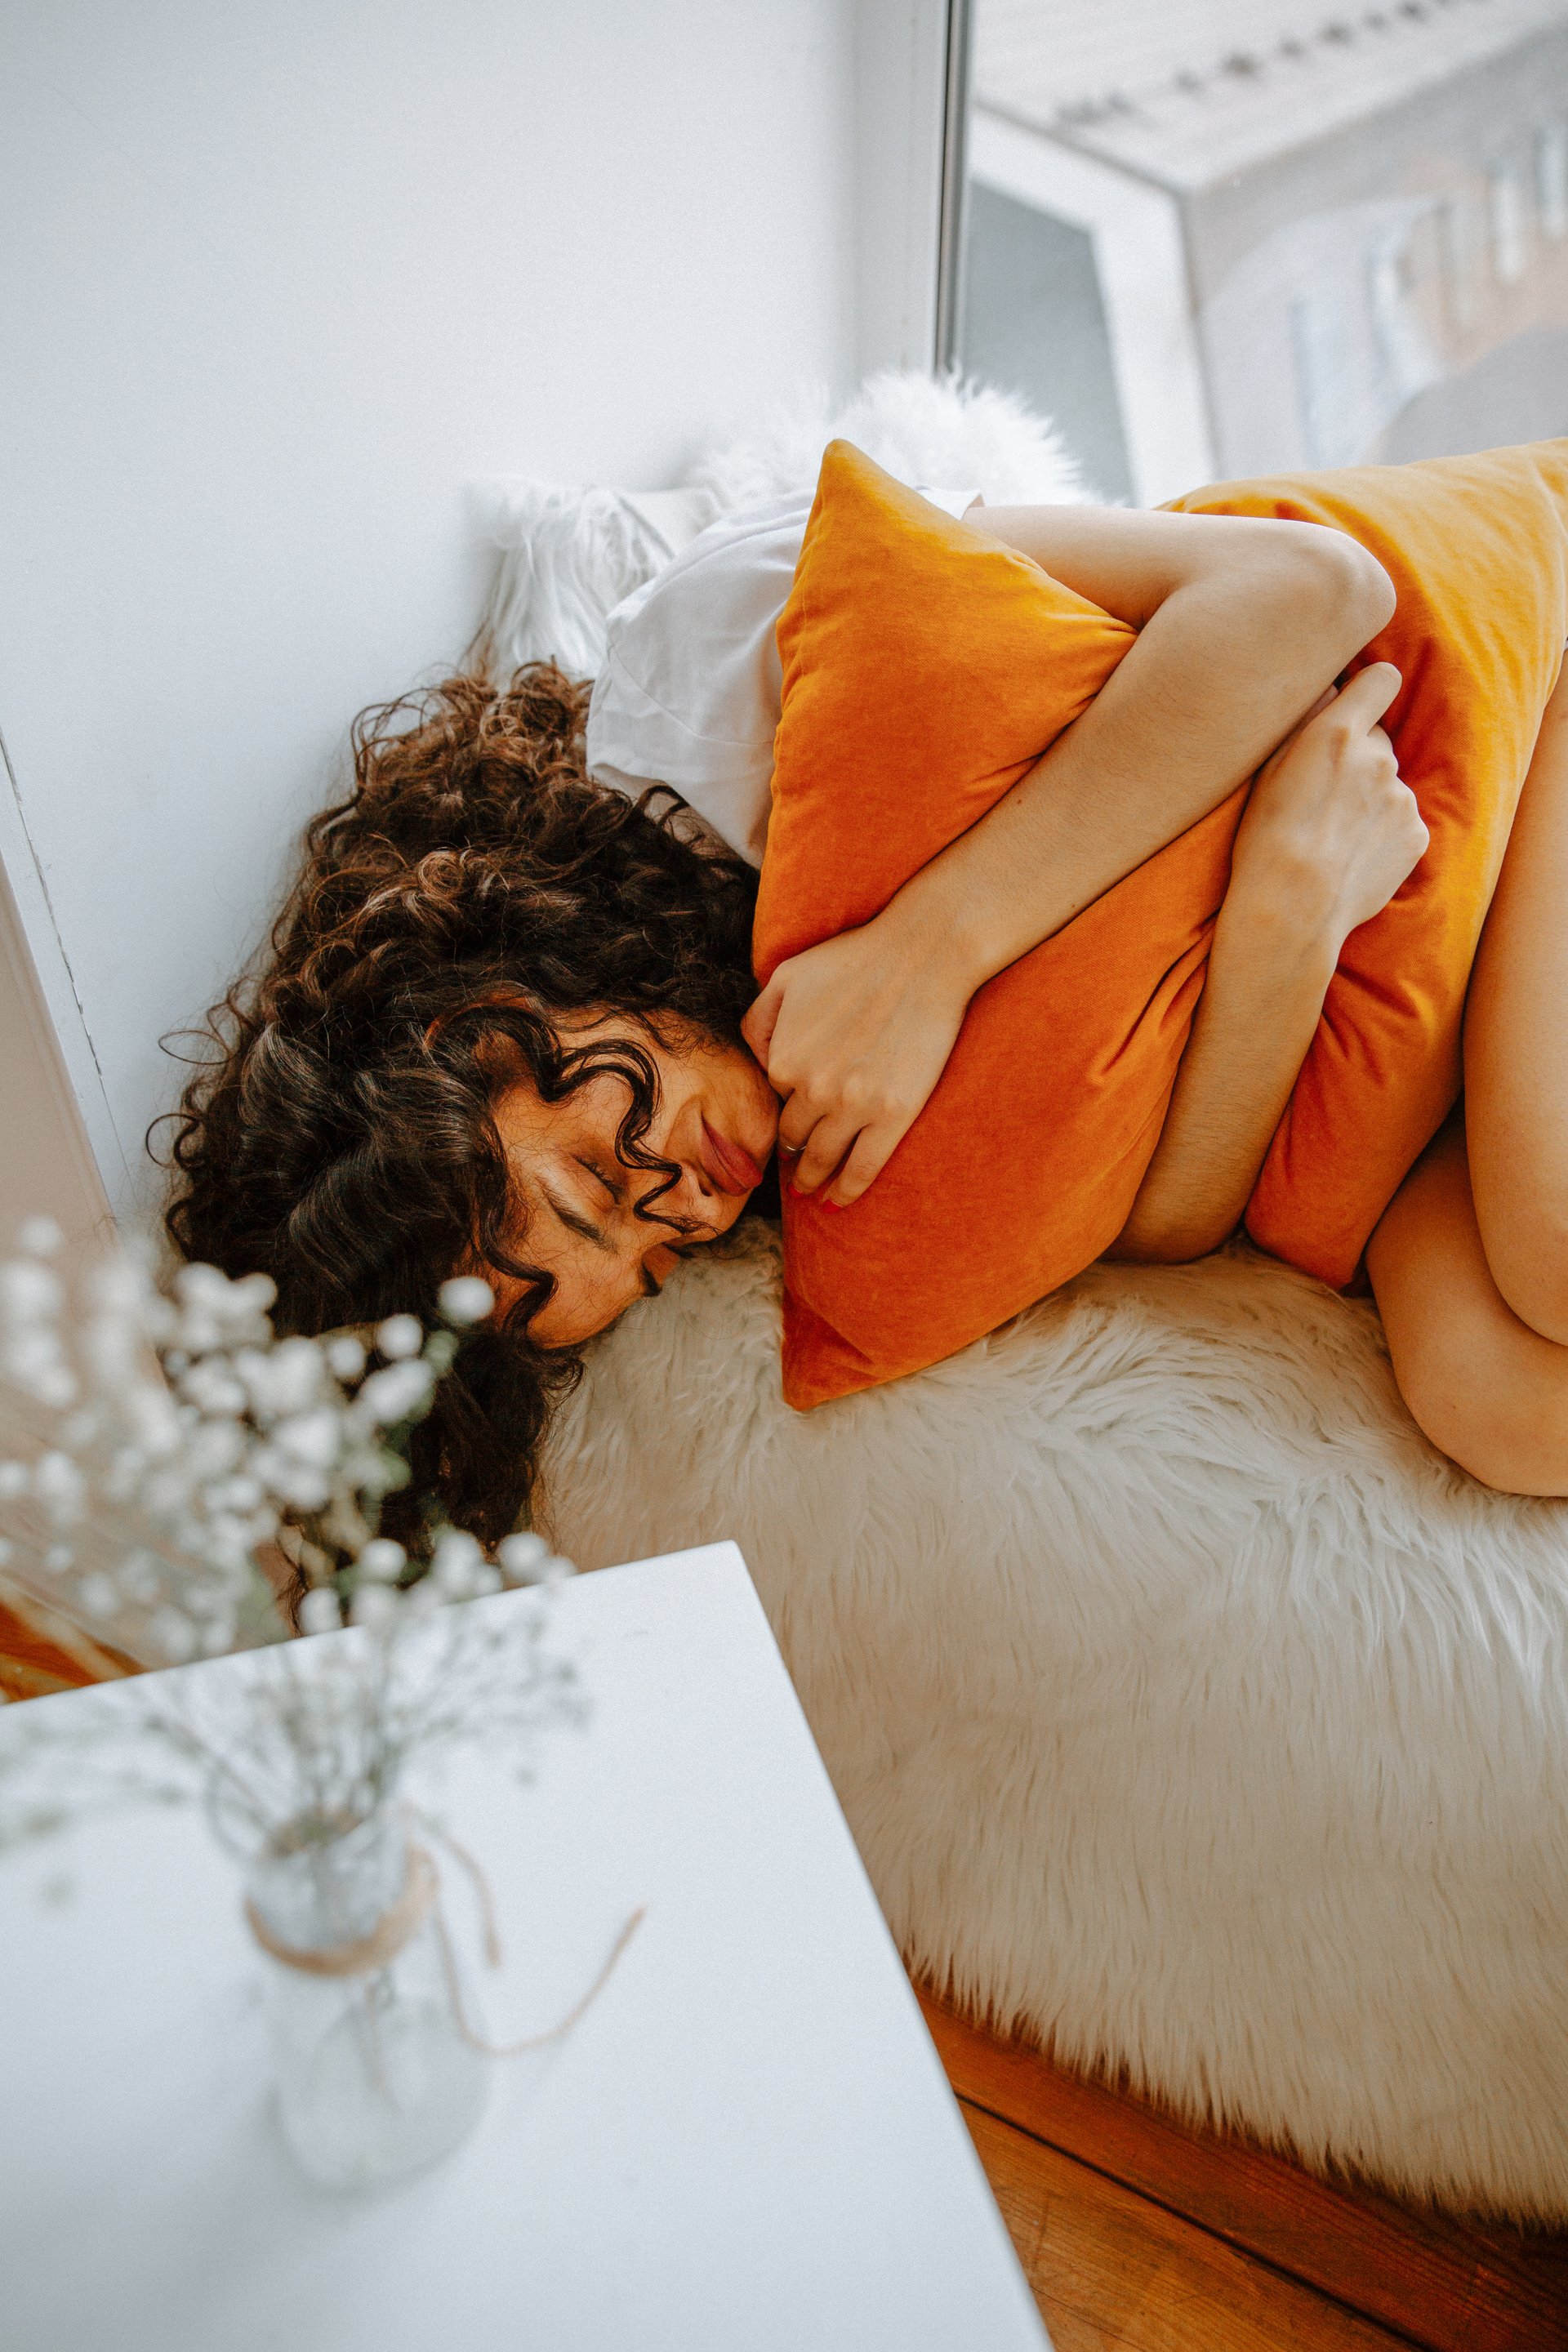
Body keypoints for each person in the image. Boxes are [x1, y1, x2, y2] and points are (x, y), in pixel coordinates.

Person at [159, 477, 1548, 1552]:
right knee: (1496, 1402)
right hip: (1389, 983)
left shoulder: (714, 676)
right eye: (650, 1264)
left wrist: (927, 952)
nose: (688, 1218)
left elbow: (1311, 590)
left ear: (483, 1017)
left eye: (598, 1180)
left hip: (1500, 724)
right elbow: (1165, 1224)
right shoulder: (780, 1121)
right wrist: (1284, 920)